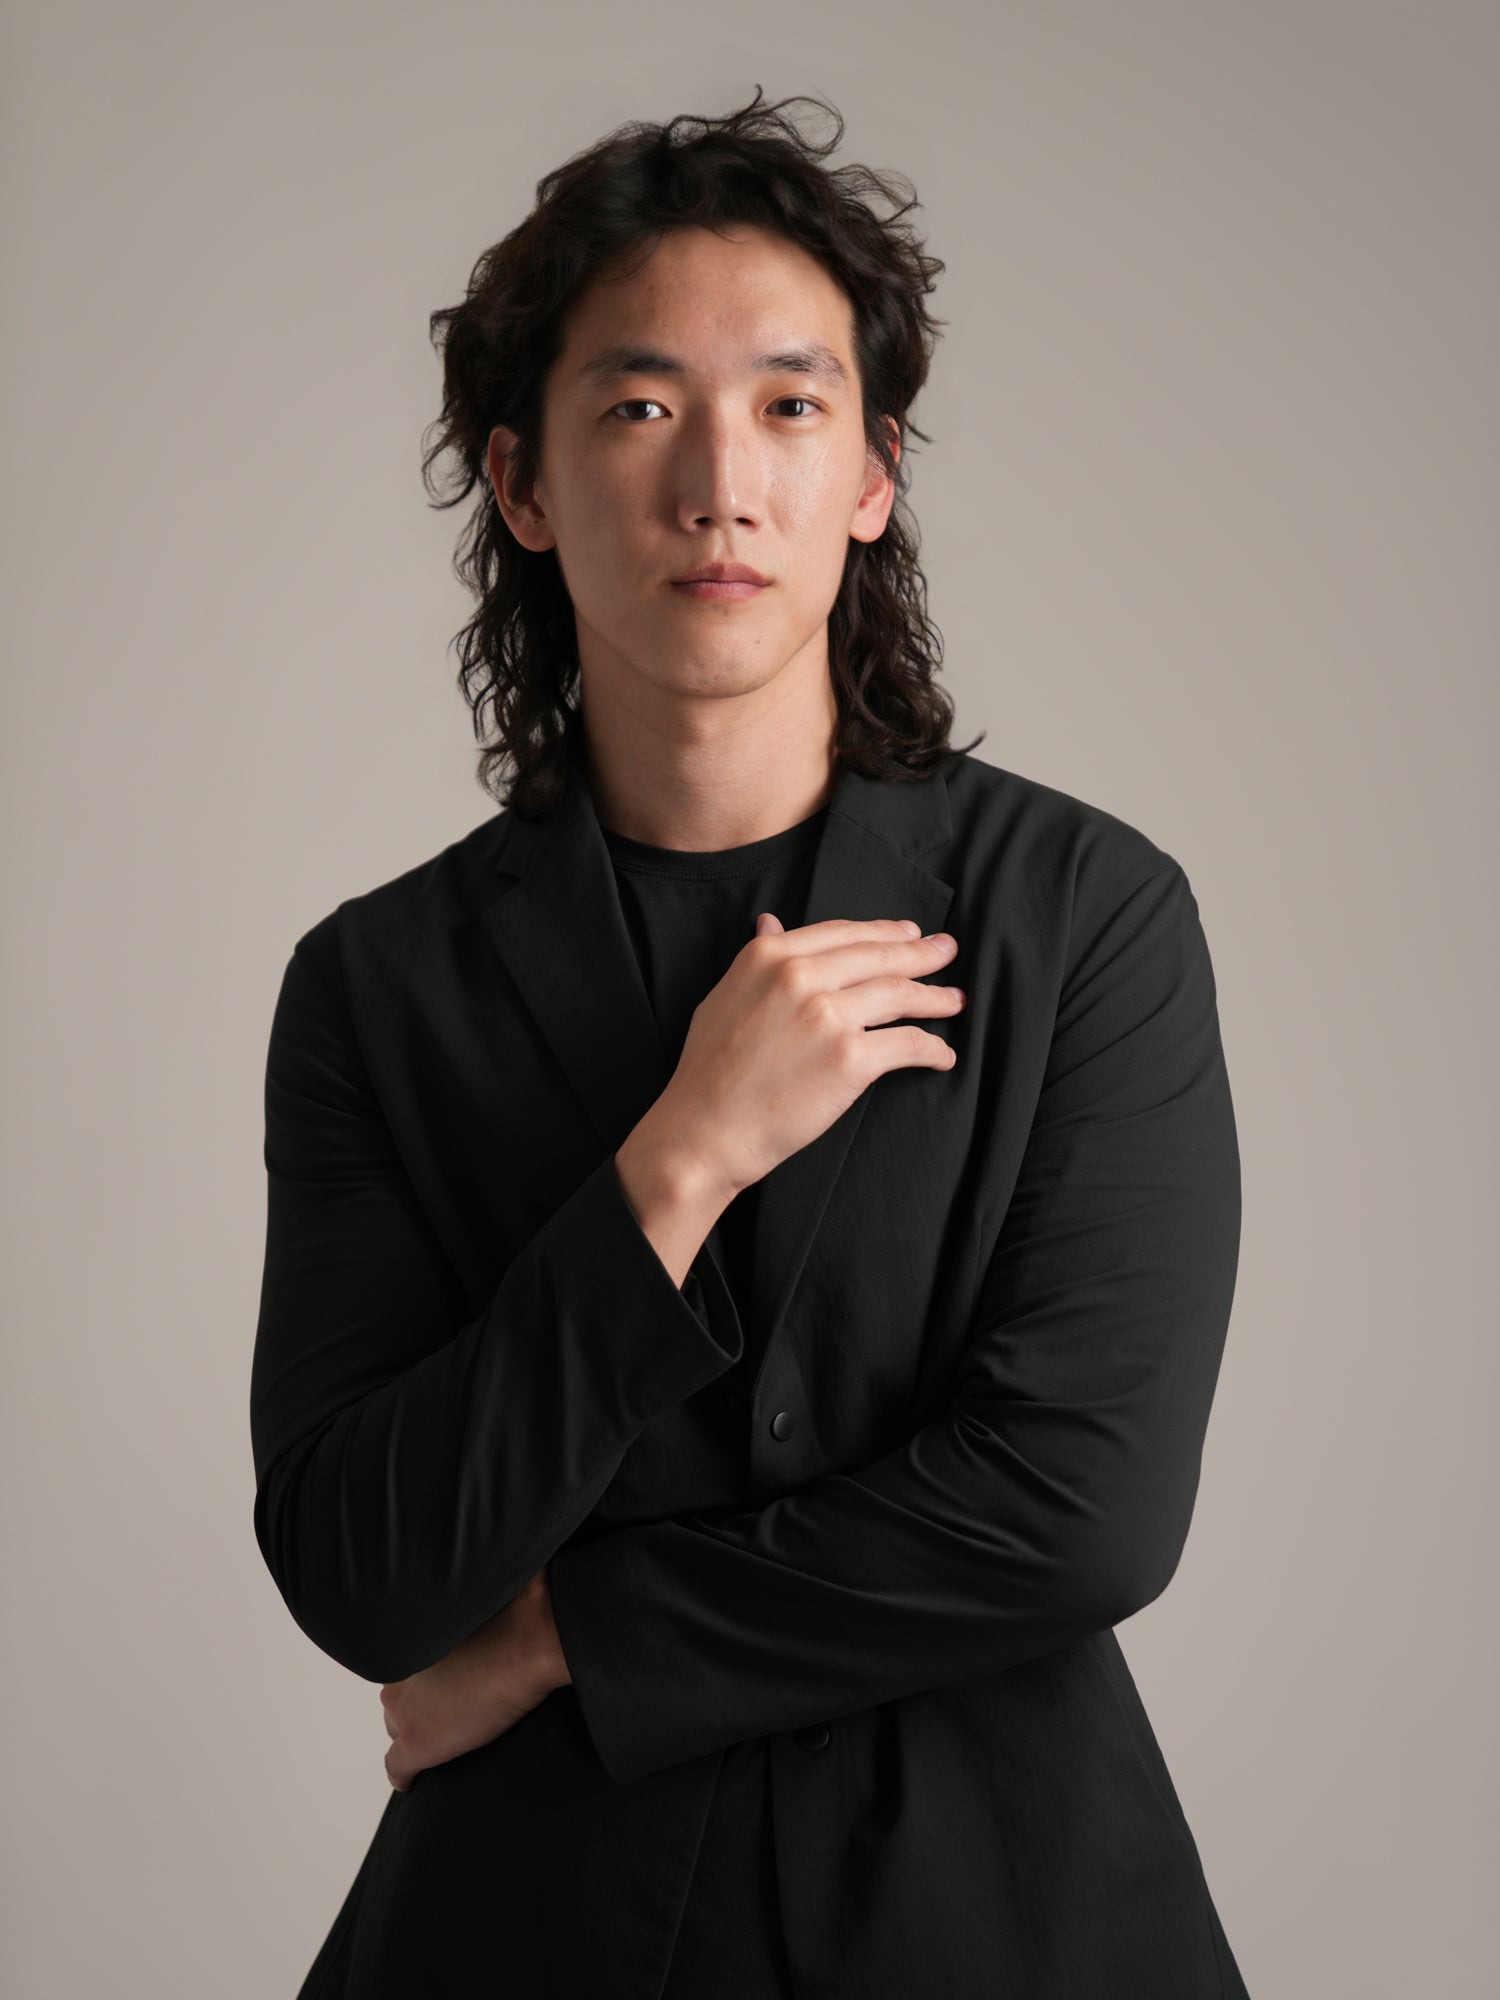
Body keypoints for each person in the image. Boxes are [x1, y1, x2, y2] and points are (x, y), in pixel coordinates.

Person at [250, 87, 1250, 1999]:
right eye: (641, 407)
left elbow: (1085, 1507)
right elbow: (362, 1568)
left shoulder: (1085, 915)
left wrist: (563, 1637)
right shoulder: (378, 987)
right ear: (522, 485)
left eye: (790, 404)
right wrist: (681, 1159)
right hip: (530, 1938)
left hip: (1011, 1924)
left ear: (872, 472)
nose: (720, 483)